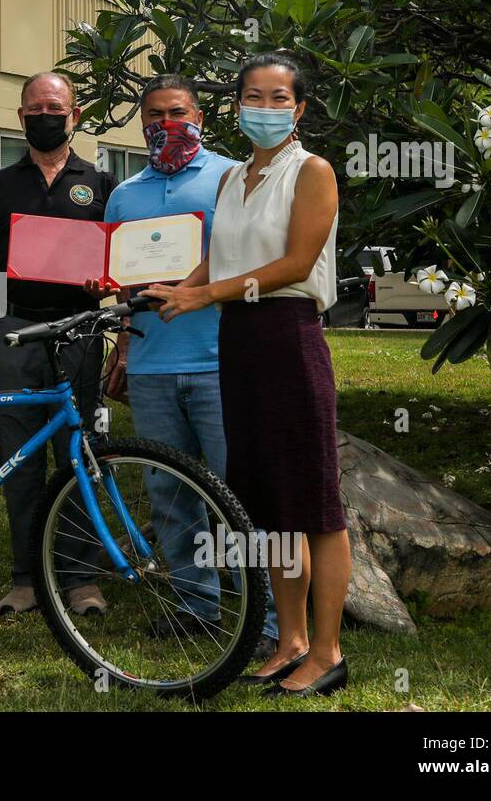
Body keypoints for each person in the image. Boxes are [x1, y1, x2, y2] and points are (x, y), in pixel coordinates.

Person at [144, 53, 350, 697]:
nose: (264, 107)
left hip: (288, 337)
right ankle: (288, 641)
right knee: (266, 504)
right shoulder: (233, 177)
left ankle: (327, 651)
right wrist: (182, 288)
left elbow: (294, 264)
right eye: (252, 96)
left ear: (300, 107)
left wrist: (206, 297)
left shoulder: (311, 171)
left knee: (315, 505)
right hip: (239, 342)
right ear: (235, 105)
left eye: (277, 97)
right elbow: (219, 256)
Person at [99, 75, 280, 656]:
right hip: (152, 364)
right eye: (154, 115)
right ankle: (195, 605)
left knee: (241, 494)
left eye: (177, 112)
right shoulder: (124, 193)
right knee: (169, 492)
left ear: (200, 116)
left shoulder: (232, 177)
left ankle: (268, 618)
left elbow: (254, 257)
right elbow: (121, 280)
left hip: (222, 360)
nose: (165, 123)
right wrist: (122, 347)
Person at [0, 71, 114, 616]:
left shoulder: (103, 183)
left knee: (81, 452)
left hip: (82, 334)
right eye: (35, 108)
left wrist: (107, 285)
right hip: (16, 332)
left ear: (76, 115)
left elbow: (119, 262)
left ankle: (79, 577)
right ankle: (25, 576)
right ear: (21, 117)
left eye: (55, 106)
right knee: (19, 457)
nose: (46, 115)